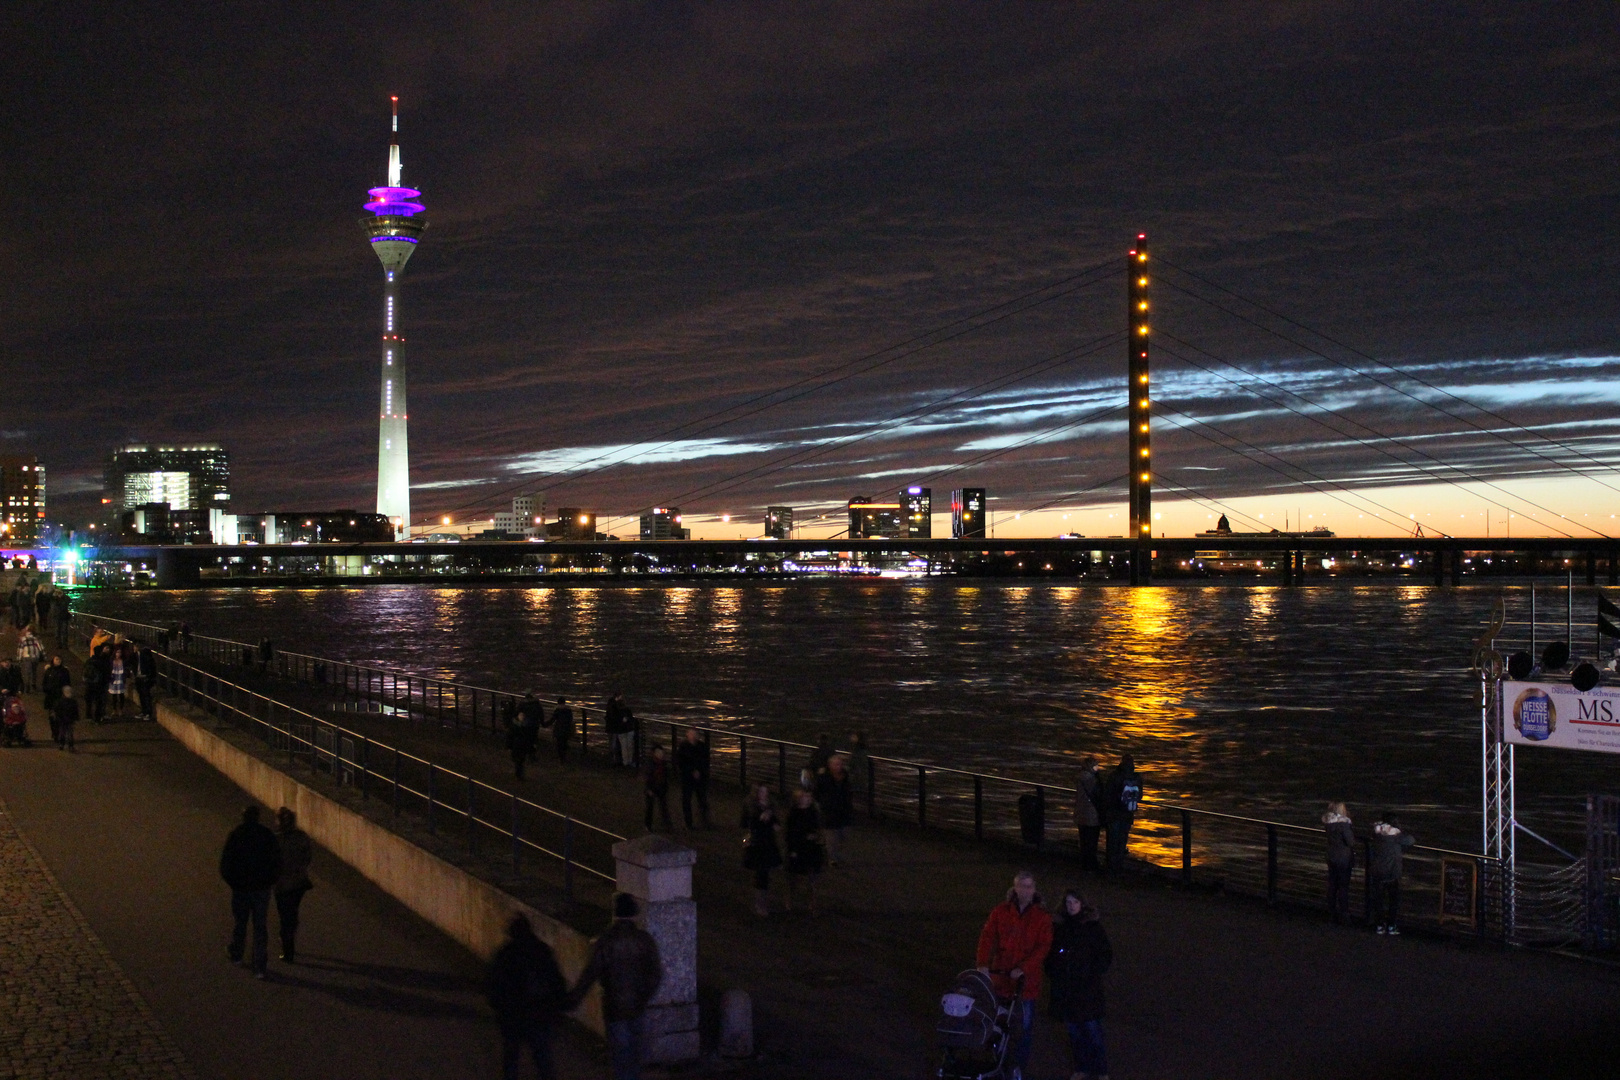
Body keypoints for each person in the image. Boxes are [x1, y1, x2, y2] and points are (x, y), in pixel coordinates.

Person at [570, 893, 663, 1080]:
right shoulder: (644, 940)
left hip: (614, 1006)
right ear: (634, 914)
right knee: (636, 1055)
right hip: (638, 1005)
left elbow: (590, 974)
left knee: (621, 1057)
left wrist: (572, 1000)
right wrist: (645, 995)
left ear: (616, 914)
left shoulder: (606, 941)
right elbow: (656, 973)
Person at [976, 871, 1053, 1080]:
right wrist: (982, 963)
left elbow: (1043, 947)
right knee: (997, 1024)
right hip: (1001, 978)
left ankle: (1017, 1067)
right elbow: (988, 935)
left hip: (1024, 983)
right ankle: (997, 1063)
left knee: (1023, 1028)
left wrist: (1024, 968)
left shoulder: (1041, 917)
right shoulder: (1002, 911)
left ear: (1034, 889)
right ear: (1015, 888)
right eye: (1021, 886)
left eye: (1029, 887)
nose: (1025, 891)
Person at [487, 913, 569, 1080]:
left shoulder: (506, 954)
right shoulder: (542, 951)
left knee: (512, 1059)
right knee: (542, 1058)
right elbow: (556, 981)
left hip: (513, 1014)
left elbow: (493, 985)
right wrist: (560, 1006)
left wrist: (499, 1008)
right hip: (539, 1013)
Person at [1046, 890, 1112, 1080]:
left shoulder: (1093, 927)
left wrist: (1091, 972)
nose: (1071, 906)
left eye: (1075, 902)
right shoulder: (1060, 927)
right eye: (1068, 902)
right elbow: (1050, 955)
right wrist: (1054, 972)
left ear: (1082, 904)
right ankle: (1081, 1068)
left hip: (1087, 989)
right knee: (1074, 1033)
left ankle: (1101, 1070)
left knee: (1093, 1032)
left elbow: (1105, 954)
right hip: (1066, 989)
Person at [219, 805, 282, 978]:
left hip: (241, 888)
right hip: (261, 889)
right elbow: (277, 862)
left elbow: (226, 863)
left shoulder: (236, 835)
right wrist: (269, 882)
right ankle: (260, 965)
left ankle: (237, 954)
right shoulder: (267, 835)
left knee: (240, 923)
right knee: (260, 926)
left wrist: (234, 883)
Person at [274, 807, 314, 963]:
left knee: (285, 916)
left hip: (282, 884)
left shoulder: (276, 840)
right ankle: (289, 941)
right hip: (299, 882)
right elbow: (307, 858)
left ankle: (287, 949)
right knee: (292, 912)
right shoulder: (301, 837)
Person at [1368, 811, 1415, 935]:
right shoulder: (1396, 836)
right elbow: (1410, 840)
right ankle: (1391, 926)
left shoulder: (1376, 833)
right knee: (1393, 900)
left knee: (1379, 899)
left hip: (1378, 870)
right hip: (1392, 872)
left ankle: (1379, 925)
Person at [741, 783, 782, 917]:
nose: (764, 795)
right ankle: (759, 906)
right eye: (761, 792)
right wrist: (763, 820)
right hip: (758, 844)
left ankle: (764, 904)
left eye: (766, 792)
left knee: (767, 875)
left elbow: (777, 825)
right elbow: (749, 825)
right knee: (761, 874)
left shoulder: (769, 807)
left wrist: (771, 821)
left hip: (768, 843)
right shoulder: (753, 808)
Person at [784, 788, 824, 915]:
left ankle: (812, 904)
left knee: (812, 880)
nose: (807, 798)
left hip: (812, 849)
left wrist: (816, 837)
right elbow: (789, 833)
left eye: (808, 796)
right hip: (798, 848)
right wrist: (792, 849)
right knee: (794, 879)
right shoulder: (793, 814)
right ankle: (789, 900)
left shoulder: (813, 812)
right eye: (804, 796)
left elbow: (818, 829)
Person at [813, 753, 854, 866]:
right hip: (829, 812)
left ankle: (834, 854)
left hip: (844, 811)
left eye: (840, 764)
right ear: (830, 765)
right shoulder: (823, 778)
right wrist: (823, 804)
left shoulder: (845, 777)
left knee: (843, 835)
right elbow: (816, 792)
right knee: (831, 837)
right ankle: (833, 859)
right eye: (836, 764)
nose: (838, 767)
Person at [1103, 755, 1142, 871]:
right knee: (1122, 840)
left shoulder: (1114, 775)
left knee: (1112, 841)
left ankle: (1110, 866)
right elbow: (1139, 796)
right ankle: (1119, 865)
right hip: (1127, 814)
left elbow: (1107, 794)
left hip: (1114, 813)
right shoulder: (1136, 777)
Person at [1322, 801, 1355, 924]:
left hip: (1331, 856)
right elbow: (1350, 842)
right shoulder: (1344, 825)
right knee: (1343, 886)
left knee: (1332, 885)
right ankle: (1344, 913)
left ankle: (1331, 912)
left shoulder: (1328, 824)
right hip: (1343, 858)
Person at [674, 727, 711, 830]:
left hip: (696, 777)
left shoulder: (697, 747)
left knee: (701, 800)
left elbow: (705, 761)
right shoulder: (685, 747)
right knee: (687, 800)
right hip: (688, 778)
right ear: (688, 735)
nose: (694, 736)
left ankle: (703, 821)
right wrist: (694, 771)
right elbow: (680, 762)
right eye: (692, 734)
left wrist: (698, 771)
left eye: (695, 734)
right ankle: (689, 823)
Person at [1075, 757, 1104, 872]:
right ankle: (1091, 865)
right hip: (1091, 814)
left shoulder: (1080, 778)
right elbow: (1098, 794)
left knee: (1084, 840)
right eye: (1096, 766)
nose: (1097, 768)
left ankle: (1084, 863)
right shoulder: (1091, 780)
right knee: (1092, 840)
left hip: (1081, 813)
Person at [507, 694, 542, 780]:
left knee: (519, 760)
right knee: (520, 760)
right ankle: (519, 773)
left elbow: (510, 735)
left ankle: (519, 773)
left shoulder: (515, 725)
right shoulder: (526, 726)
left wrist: (509, 746)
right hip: (521, 744)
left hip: (518, 744)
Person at [643, 744, 672, 831]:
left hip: (660, 787)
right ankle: (648, 825)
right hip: (653, 787)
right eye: (659, 753)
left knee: (663, 807)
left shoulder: (660, 763)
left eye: (661, 752)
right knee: (650, 808)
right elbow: (648, 777)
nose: (661, 754)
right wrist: (648, 789)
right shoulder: (654, 764)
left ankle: (666, 824)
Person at [42, 654, 70, 743]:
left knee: (61, 716)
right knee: (52, 717)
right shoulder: (49, 671)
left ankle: (60, 733)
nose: (58, 661)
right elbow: (44, 682)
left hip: (61, 697)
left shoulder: (65, 671)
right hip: (51, 697)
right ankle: (55, 733)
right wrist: (47, 690)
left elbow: (68, 683)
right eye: (57, 659)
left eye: (59, 659)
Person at [605, 692, 636, 766]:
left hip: (616, 729)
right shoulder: (621, 709)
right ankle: (624, 761)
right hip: (618, 729)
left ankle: (622, 761)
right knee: (624, 746)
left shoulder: (611, 705)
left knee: (621, 746)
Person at [844, 730, 871, 815]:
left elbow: (854, 762)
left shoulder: (858, 750)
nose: (851, 737)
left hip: (857, 775)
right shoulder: (862, 749)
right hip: (860, 775)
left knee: (854, 793)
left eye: (853, 736)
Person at [82, 645, 109, 724]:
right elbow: (105, 672)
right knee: (98, 702)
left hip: (89, 683)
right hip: (99, 684)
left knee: (89, 701)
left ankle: (88, 715)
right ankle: (97, 718)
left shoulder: (89, 660)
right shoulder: (102, 661)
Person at [134, 640, 158, 720]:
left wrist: (149, 677)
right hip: (139, 677)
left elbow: (151, 667)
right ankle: (144, 711)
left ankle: (148, 713)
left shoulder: (145, 655)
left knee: (146, 696)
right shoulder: (137, 655)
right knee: (141, 695)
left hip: (145, 678)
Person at [16, 625, 43, 693]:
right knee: (34, 671)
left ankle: (27, 686)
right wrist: (43, 655)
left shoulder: (23, 639)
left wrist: (19, 658)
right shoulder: (36, 638)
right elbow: (41, 648)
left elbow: (20, 649)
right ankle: (33, 684)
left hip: (26, 656)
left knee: (28, 671)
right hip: (35, 656)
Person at [53, 685, 79, 751]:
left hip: (62, 719)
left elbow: (57, 710)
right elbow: (75, 711)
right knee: (70, 733)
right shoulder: (73, 702)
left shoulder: (60, 701)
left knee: (62, 732)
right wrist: (76, 718)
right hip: (70, 719)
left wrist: (57, 717)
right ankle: (70, 746)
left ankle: (61, 744)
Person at [550, 697, 575, 763]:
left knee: (559, 744)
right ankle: (564, 757)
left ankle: (561, 758)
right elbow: (571, 719)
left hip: (559, 729)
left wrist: (545, 724)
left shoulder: (557, 710)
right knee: (564, 742)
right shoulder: (569, 710)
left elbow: (553, 719)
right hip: (566, 729)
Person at [107, 643, 128, 718]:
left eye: (120, 652)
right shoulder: (111, 661)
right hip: (114, 679)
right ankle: (114, 709)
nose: (118, 654)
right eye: (117, 652)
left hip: (120, 679)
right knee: (114, 696)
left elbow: (126, 670)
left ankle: (121, 709)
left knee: (121, 695)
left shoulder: (123, 661)